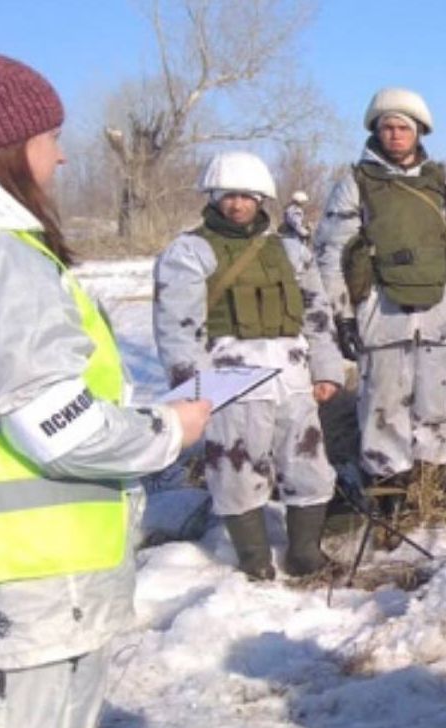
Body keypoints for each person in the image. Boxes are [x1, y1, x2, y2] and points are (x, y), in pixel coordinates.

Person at [0, 51, 210, 728]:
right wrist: (168, 430)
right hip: (23, 593)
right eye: (51, 139)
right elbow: (59, 428)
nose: (62, 159)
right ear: (2, 150)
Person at [154, 151, 342, 581]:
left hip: (292, 375)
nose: (237, 205)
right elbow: (177, 326)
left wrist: (327, 368)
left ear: (262, 199)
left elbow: (316, 313)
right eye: (227, 196)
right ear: (213, 196)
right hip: (229, 377)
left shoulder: (291, 251)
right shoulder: (189, 252)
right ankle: (254, 559)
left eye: (246, 196)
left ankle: (305, 554)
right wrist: (193, 389)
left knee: (308, 464)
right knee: (235, 470)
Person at [313, 87, 446, 503]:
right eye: (387, 127)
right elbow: (331, 253)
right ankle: (388, 491)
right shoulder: (356, 184)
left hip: (438, 314)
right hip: (380, 312)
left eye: (403, 127)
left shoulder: (442, 183)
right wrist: (343, 315)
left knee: (434, 404)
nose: (395, 134)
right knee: (383, 406)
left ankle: (433, 486)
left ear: (419, 131)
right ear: (376, 131)